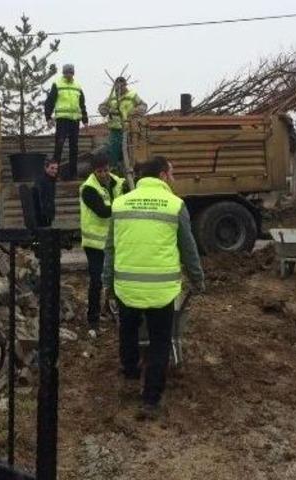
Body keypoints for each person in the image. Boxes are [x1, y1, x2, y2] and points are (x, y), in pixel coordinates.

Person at [102, 156, 204, 420]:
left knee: (127, 330)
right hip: (161, 290)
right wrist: (198, 279)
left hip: (127, 286)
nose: (173, 179)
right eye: (171, 174)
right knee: (160, 342)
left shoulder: (121, 203)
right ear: (161, 176)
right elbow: (188, 248)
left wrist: (106, 282)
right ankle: (151, 399)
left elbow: (110, 247)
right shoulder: (175, 205)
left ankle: (130, 372)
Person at [79, 152, 128, 338]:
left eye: (106, 170)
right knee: (97, 281)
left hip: (114, 241)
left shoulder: (118, 182)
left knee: (117, 278)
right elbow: (102, 211)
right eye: (100, 171)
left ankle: (110, 310)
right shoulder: (88, 189)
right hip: (94, 244)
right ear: (94, 171)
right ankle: (93, 318)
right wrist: (124, 206)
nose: (104, 174)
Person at [45, 64, 88, 180]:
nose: (69, 75)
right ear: (63, 73)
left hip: (75, 120)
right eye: (66, 73)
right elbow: (49, 101)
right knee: (59, 145)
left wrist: (85, 119)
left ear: (73, 73)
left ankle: (73, 174)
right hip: (62, 120)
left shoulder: (77, 86)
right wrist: (48, 117)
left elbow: (82, 104)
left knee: (74, 147)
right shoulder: (57, 84)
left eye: (70, 73)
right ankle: (55, 173)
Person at [98, 77, 147, 172]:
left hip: (130, 129)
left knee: (129, 151)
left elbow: (143, 105)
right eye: (117, 86)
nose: (119, 88)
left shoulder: (132, 95)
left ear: (125, 85)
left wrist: (136, 111)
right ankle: (113, 170)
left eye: (122, 85)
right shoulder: (111, 97)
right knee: (114, 151)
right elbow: (102, 107)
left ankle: (130, 170)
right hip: (115, 129)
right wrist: (105, 110)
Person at [32, 157, 59, 227]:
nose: (55, 171)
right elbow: (40, 200)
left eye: (56, 169)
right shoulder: (42, 181)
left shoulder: (51, 180)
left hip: (47, 215)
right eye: (52, 168)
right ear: (46, 168)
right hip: (42, 217)